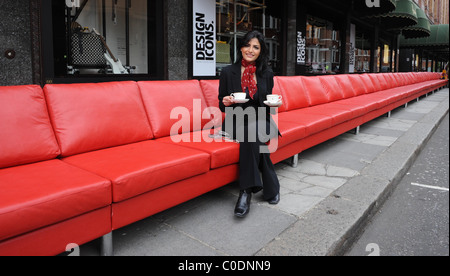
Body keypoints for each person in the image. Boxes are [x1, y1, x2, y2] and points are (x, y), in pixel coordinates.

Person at [218, 30, 282, 218]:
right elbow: (221, 103)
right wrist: (227, 101)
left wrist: (275, 104)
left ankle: (245, 192)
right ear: (240, 47)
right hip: (235, 120)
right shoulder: (228, 72)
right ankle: (271, 188)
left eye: (256, 47)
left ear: (261, 51)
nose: (250, 50)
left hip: (262, 119)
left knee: (252, 133)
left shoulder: (267, 74)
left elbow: (269, 105)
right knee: (251, 135)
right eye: (247, 45)